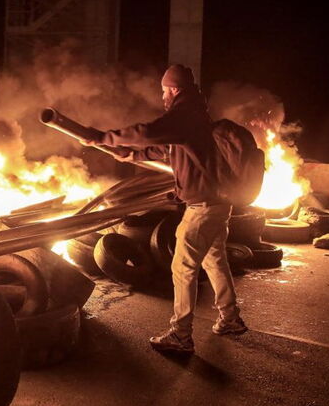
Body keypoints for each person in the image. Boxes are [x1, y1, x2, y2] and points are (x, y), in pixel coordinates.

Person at [84, 64, 246, 354]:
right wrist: (132, 154)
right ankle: (230, 318)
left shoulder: (185, 116)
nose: (162, 97)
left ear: (174, 89)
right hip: (216, 205)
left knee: (183, 267)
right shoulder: (196, 118)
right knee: (214, 261)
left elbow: (148, 132)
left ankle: (181, 335)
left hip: (203, 208)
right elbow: (166, 150)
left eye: (163, 90)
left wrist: (103, 137)